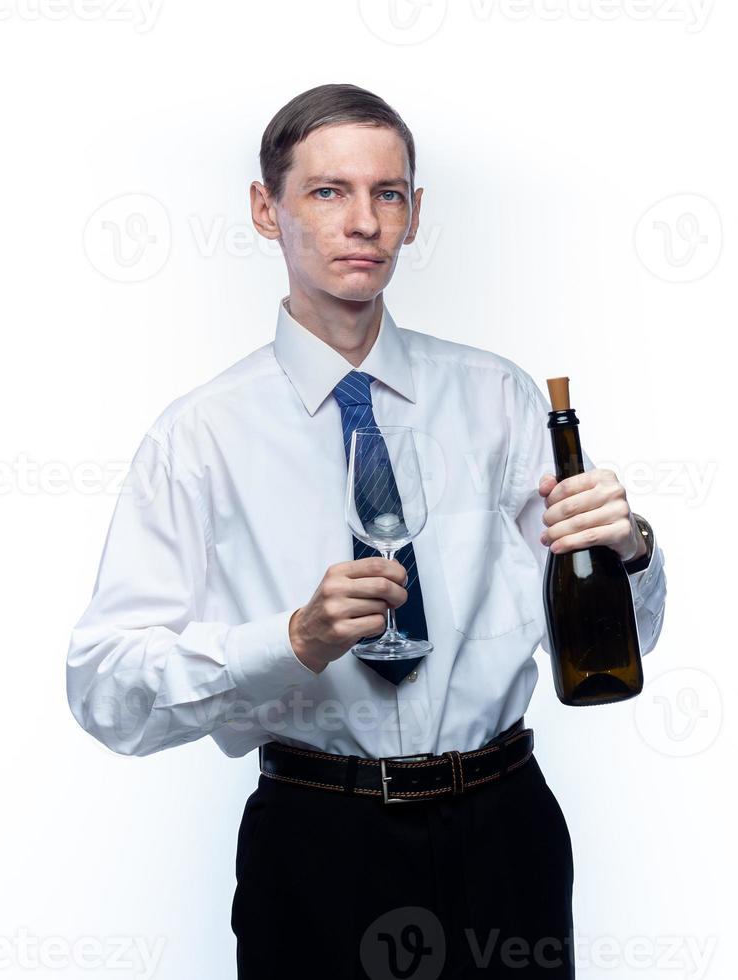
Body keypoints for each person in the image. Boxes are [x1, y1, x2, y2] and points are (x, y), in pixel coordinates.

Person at [66, 83, 667, 978]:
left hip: (506, 831)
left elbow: (624, 635)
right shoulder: (200, 438)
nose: (364, 222)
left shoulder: (500, 399)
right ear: (266, 211)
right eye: (327, 192)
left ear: (415, 214)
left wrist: (632, 554)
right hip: (317, 846)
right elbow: (105, 692)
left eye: (387, 194)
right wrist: (290, 641)